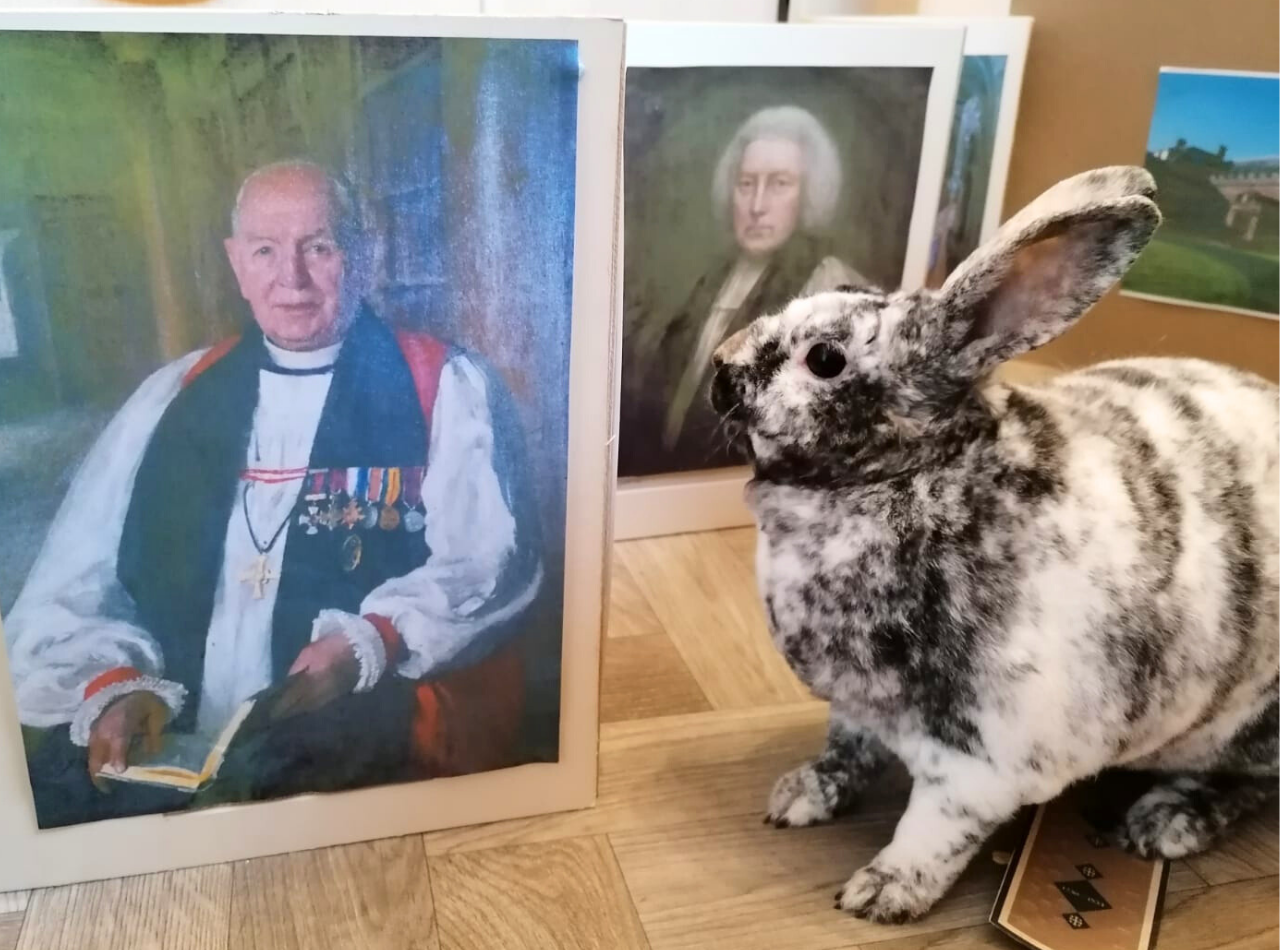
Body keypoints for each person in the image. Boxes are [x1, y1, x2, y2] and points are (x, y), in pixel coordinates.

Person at [4, 160, 543, 827]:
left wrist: (365, 645)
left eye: (319, 247)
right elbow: (71, 585)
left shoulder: (446, 384)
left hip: (357, 738)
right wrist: (116, 687)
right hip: (166, 742)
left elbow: (489, 562)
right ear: (236, 263)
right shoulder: (172, 396)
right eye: (265, 251)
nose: (292, 278)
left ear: (362, 252)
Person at [619, 105, 868, 478]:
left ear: (809, 194)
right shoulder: (711, 280)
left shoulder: (829, 286)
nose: (757, 206)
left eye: (779, 184)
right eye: (746, 184)